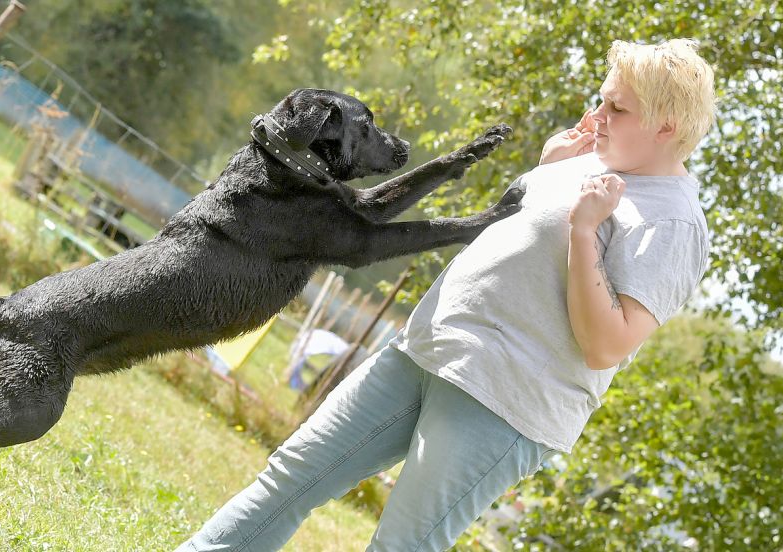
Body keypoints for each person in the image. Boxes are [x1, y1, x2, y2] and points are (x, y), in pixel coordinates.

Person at [178, 38, 715, 551]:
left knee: (402, 547)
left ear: (666, 126)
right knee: (290, 478)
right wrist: (549, 169)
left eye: (616, 109)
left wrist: (582, 232)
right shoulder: (591, 158)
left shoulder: (674, 223)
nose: (597, 115)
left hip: (501, 399)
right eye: (601, 99)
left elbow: (607, 345)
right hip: (426, 349)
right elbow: (518, 240)